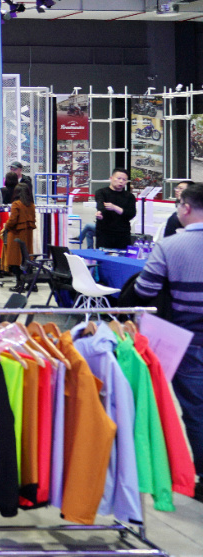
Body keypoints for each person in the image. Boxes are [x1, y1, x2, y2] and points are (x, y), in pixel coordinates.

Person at [134, 182, 203, 483]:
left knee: (196, 410)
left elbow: (144, 289)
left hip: (188, 340)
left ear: (185, 208)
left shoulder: (169, 246)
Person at [1, 180, 37, 283]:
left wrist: (6, 226)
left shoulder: (16, 204)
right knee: (27, 258)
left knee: (15, 260)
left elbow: (13, 220)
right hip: (28, 235)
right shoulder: (31, 205)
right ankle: (30, 283)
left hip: (16, 235)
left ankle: (19, 283)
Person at [95, 168, 138, 250]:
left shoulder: (130, 196)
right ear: (111, 178)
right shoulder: (101, 192)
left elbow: (131, 214)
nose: (121, 181)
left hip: (123, 234)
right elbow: (100, 205)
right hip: (104, 233)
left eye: (124, 180)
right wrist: (99, 214)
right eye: (118, 178)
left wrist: (115, 208)